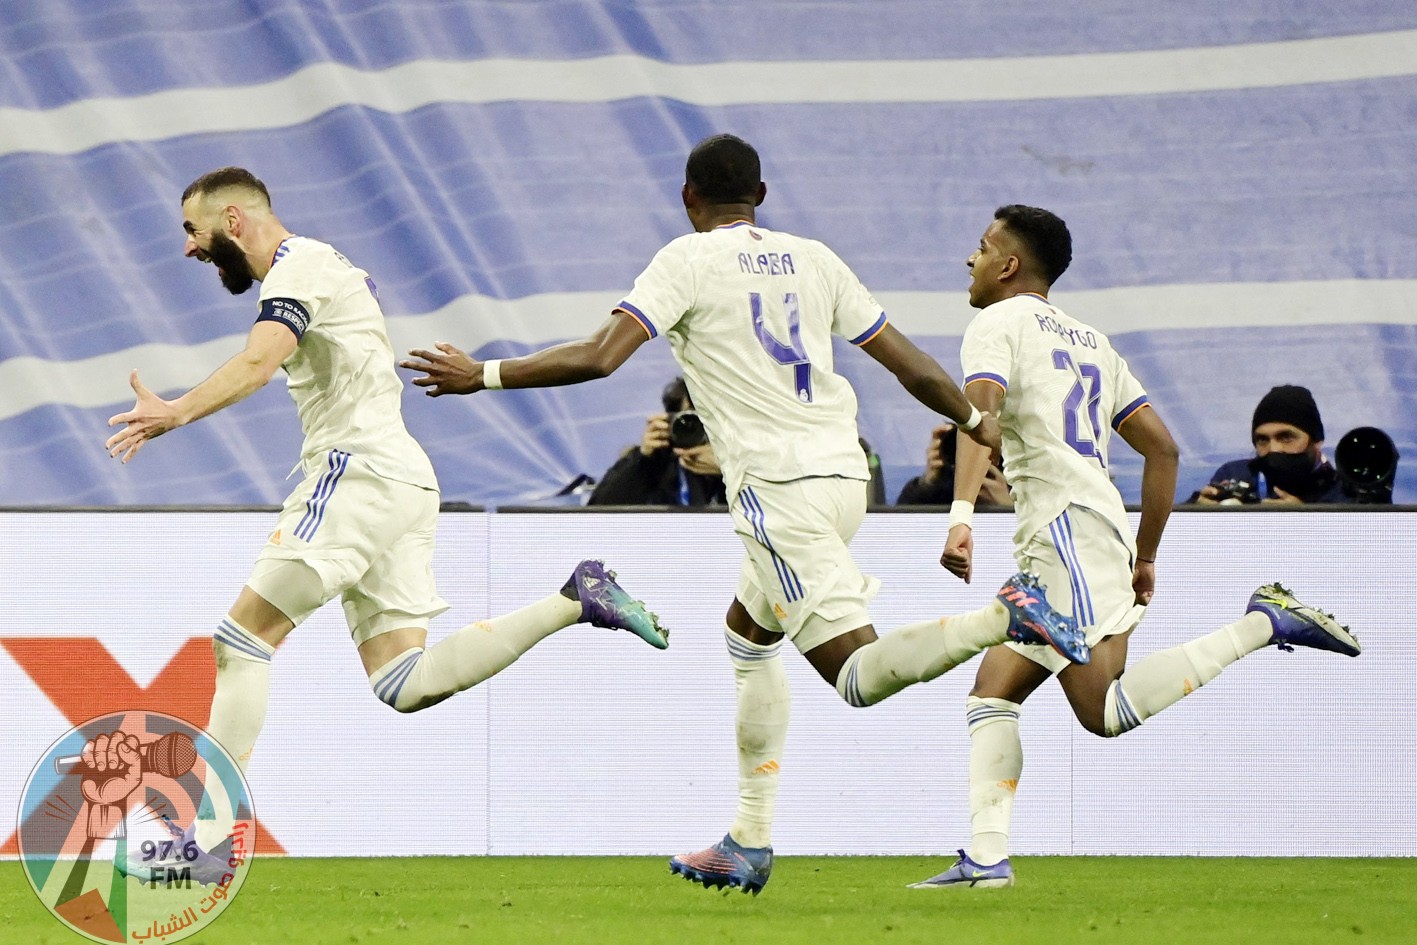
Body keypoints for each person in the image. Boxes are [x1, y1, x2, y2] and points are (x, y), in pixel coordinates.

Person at [401, 134, 1088, 895]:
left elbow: (601, 355)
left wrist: (482, 375)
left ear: (688, 198)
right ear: (759, 196)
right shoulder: (815, 258)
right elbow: (908, 363)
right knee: (748, 631)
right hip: (842, 476)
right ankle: (747, 839)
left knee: (855, 676)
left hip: (778, 490)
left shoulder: (685, 260)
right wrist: (973, 418)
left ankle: (1005, 615)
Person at [104, 167, 667, 882]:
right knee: (402, 681)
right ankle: (575, 597)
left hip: (357, 472)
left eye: (193, 229)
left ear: (235, 219)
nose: (187, 247)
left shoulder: (299, 268)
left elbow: (258, 360)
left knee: (241, 640)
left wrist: (176, 411)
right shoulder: (328, 264)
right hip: (400, 478)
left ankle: (205, 837)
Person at [918, 205, 1361, 890]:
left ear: (1008, 265)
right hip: (1087, 534)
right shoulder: (1092, 341)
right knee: (990, 692)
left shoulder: (994, 322)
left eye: (979, 248)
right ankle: (984, 858)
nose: (968, 260)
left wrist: (959, 514)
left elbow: (979, 411)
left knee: (1102, 710)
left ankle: (1261, 621)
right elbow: (1162, 447)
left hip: (1063, 536)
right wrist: (1144, 554)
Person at [1187, 385, 1349, 504]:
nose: (1274, 449)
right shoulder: (1233, 474)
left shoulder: (1345, 493)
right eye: (1263, 440)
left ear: (1317, 441)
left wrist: (1304, 519)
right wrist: (1197, 512)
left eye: (1286, 437)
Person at [588, 376, 728, 506]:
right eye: (691, 418)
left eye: (709, 417)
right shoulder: (657, 460)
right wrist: (643, 461)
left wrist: (729, 468)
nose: (699, 427)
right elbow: (597, 515)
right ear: (673, 419)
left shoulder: (742, 461)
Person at [895, 422, 1013, 507]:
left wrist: (1008, 508)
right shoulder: (945, 485)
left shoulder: (1021, 479)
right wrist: (927, 485)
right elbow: (901, 529)